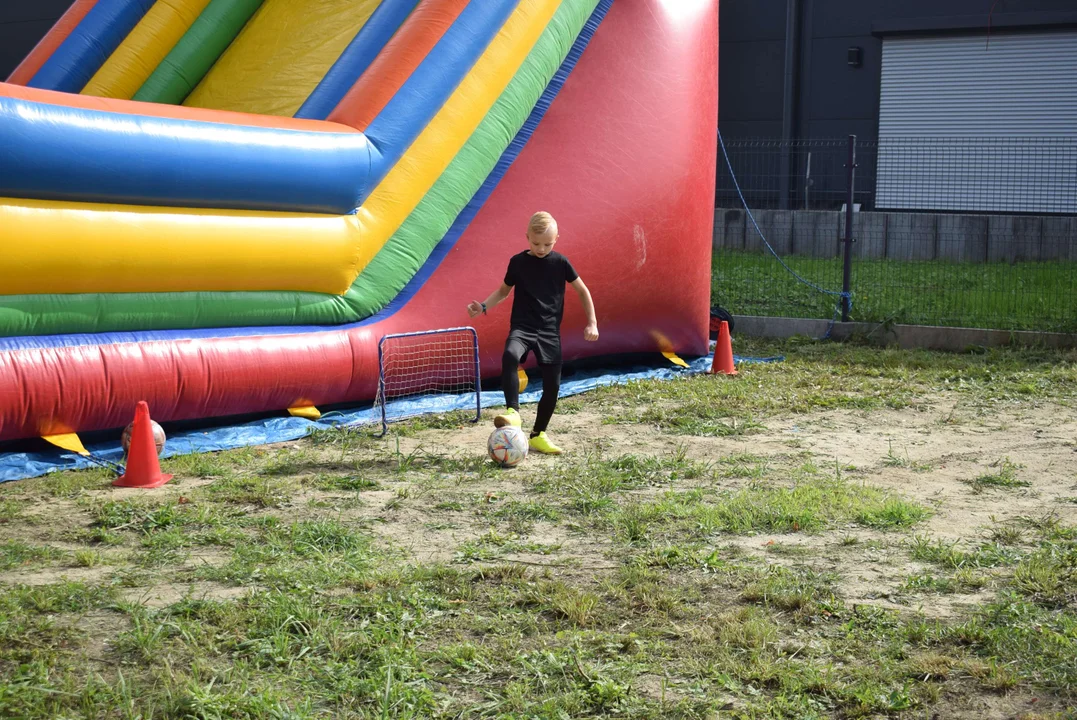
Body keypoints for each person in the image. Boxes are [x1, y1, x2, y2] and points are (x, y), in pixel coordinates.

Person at [467, 211, 598, 454]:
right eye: (536, 243)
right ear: (527, 237)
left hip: (549, 332)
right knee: (509, 354)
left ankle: (538, 435)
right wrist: (483, 306)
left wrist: (592, 322)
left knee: (553, 387)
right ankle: (513, 412)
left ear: (557, 238)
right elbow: (503, 291)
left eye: (547, 244)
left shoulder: (561, 263)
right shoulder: (518, 262)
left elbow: (582, 290)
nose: (541, 248)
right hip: (523, 327)